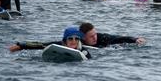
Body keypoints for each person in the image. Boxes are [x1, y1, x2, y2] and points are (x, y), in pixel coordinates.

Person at [10, 22, 145, 51]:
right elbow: (42, 44)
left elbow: (119, 38)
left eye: (95, 34)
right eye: (91, 36)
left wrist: (134, 39)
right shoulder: (70, 42)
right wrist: (21, 46)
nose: (95, 38)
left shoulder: (102, 38)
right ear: (83, 38)